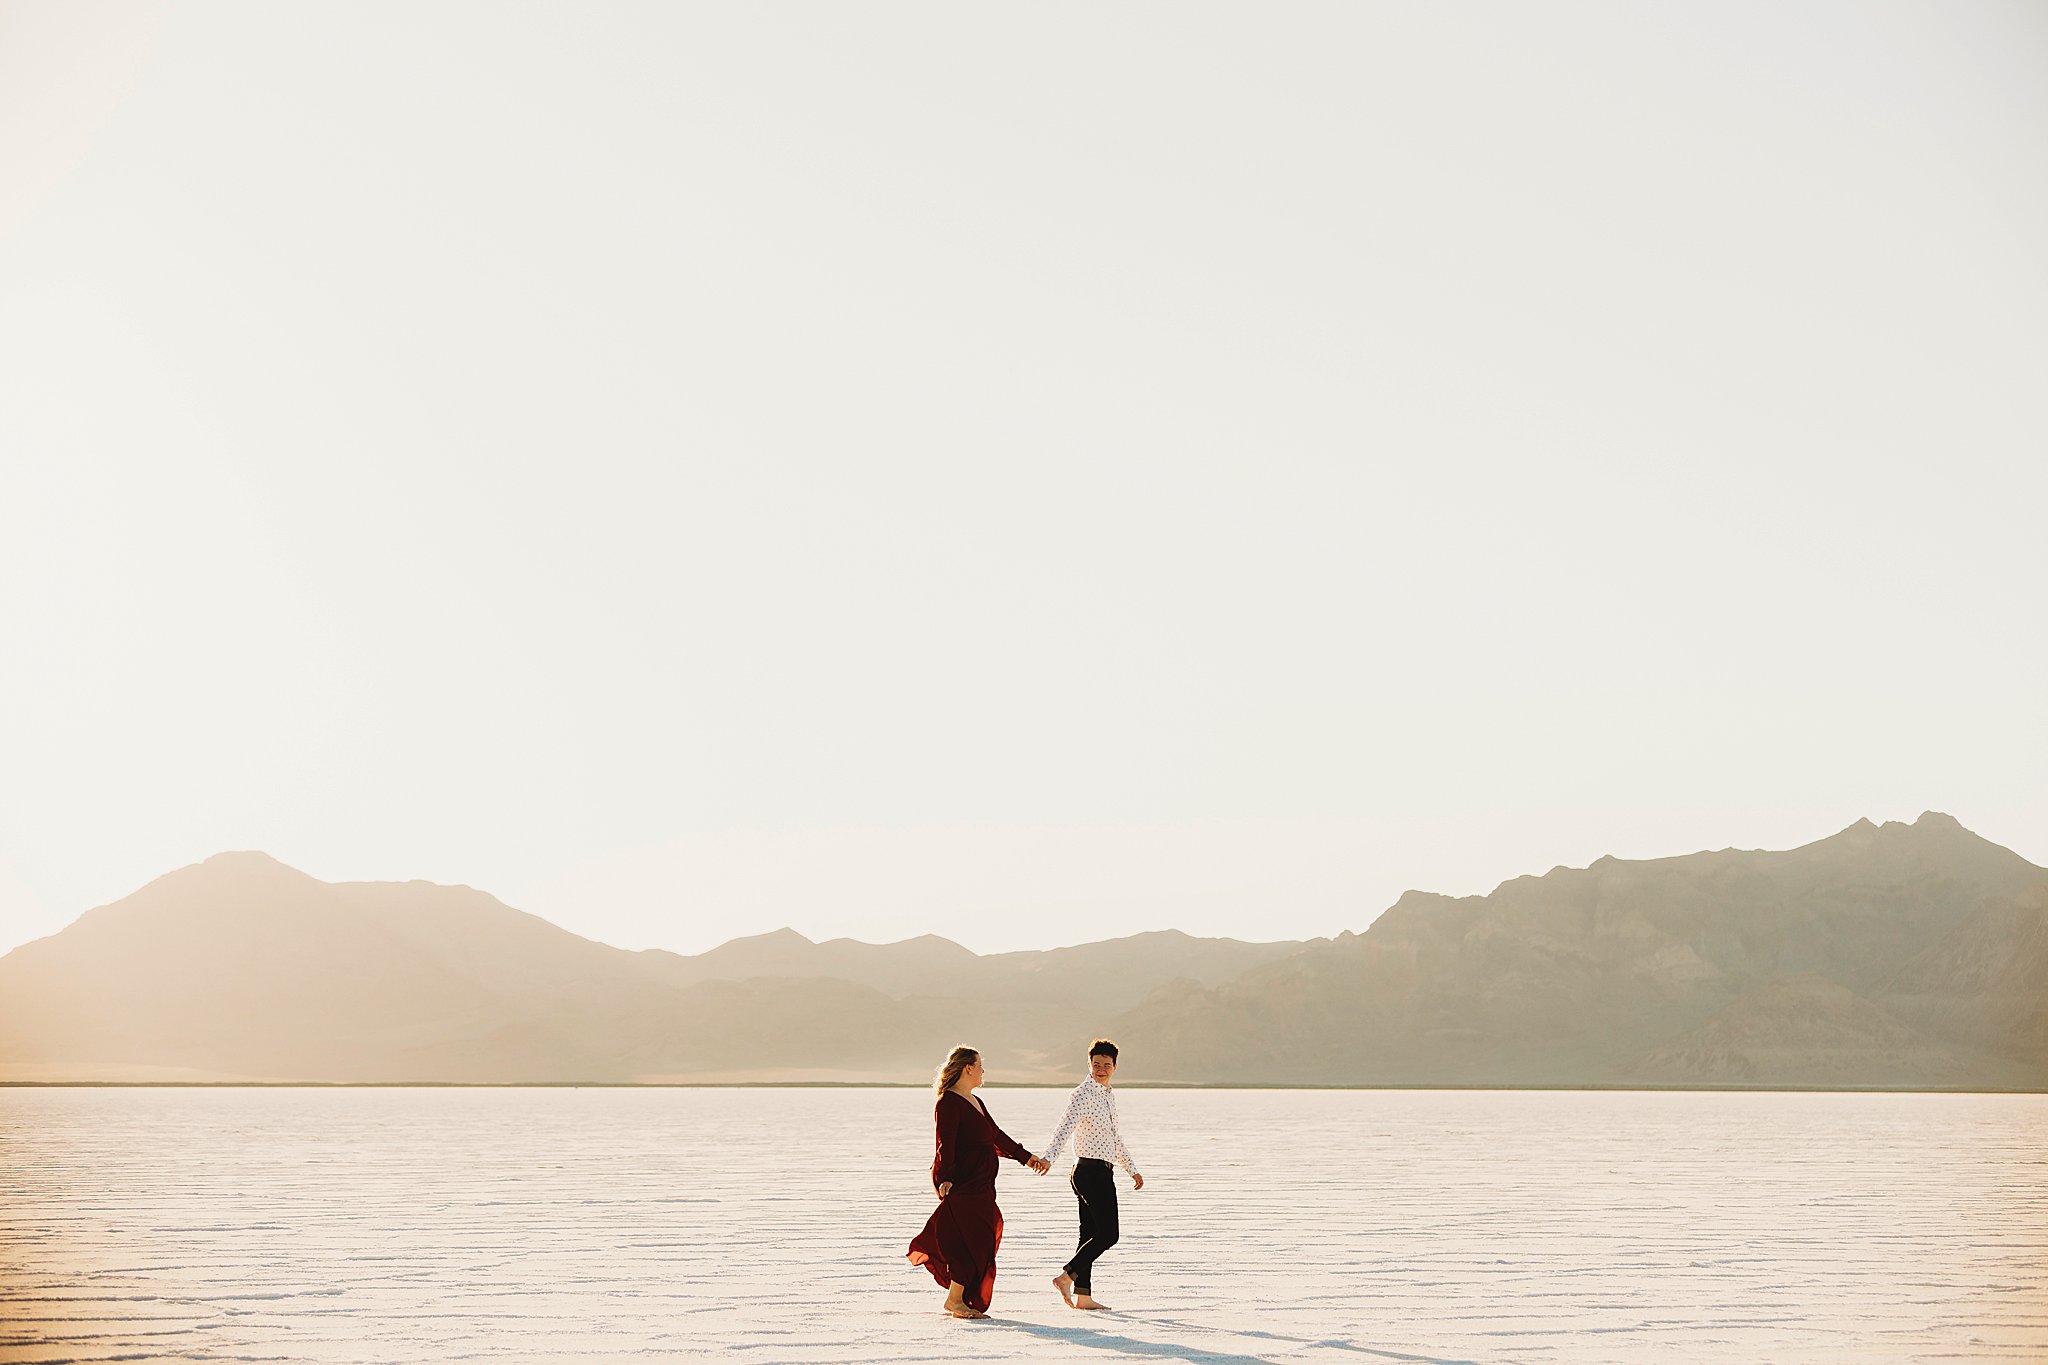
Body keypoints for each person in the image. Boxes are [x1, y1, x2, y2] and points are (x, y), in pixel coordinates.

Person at [906, 1045, 1050, 1318]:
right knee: (974, 1240)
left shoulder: (975, 1100)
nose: (983, 1071)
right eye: (980, 1065)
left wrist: (1027, 1157)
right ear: (967, 1068)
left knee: (980, 1238)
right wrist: (946, 1178)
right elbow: (945, 1143)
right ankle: (955, 1301)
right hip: (964, 1183)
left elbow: (995, 1135)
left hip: (983, 1183)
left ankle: (959, 1300)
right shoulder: (948, 1102)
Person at [1039, 1039, 1144, 1310]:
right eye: (1096, 1064)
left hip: (1101, 1171)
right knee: (1109, 1234)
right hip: (1089, 1172)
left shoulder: (1108, 1095)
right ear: (1089, 1064)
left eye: (1106, 1065)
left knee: (1089, 1234)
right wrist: (1049, 1158)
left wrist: (1131, 1169)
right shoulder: (1083, 1094)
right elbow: (1063, 1128)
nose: (1100, 1069)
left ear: (1114, 1067)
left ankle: (1083, 1296)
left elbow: (1114, 1139)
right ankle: (1066, 1276)